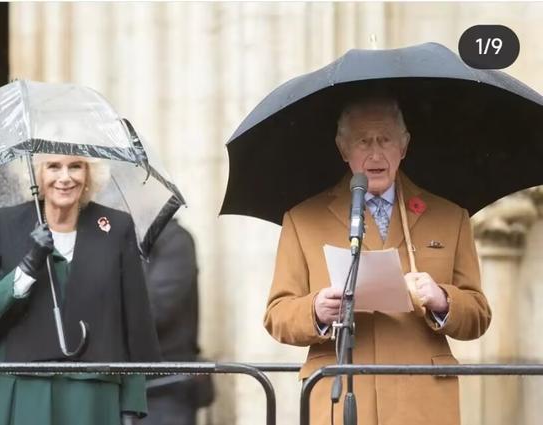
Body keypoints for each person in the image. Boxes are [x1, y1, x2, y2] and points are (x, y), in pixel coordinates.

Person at [263, 97, 492, 425]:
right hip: (338, 395)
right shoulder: (303, 219)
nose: (375, 154)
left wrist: (442, 300)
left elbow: (479, 315)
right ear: (343, 149)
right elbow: (277, 315)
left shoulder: (450, 216)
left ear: (404, 145)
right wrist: (316, 311)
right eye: (362, 141)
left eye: (385, 140)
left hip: (423, 401)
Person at [0, 154, 161, 425]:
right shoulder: (3, 223)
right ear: (38, 174)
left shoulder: (117, 227)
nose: (65, 177)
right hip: (23, 388)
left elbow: (133, 318)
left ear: (89, 175)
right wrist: (30, 262)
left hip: (94, 392)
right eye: (54, 166)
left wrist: (131, 406)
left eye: (75, 166)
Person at [140, 219, 212, 425]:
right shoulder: (120, 239)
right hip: (128, 385)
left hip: (165, 386)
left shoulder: (173, 239)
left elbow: (155, 311)